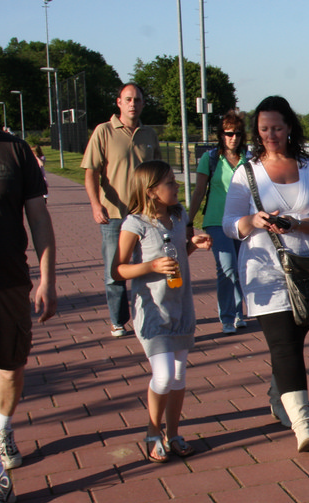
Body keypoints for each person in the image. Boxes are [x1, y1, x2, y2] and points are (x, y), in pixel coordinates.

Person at [223, 96, 309, 453]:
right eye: (263, 129)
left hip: (306, 269)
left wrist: (298, 223)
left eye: (276, 128)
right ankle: (303, 423)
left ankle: (278, 395)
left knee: (293, 342)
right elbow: (229, 224)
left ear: (289, 127)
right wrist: (252, 221)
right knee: (284, 345)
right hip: (263, 270)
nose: (270, 135)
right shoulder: (247, 172)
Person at [112, 161, 211, 463]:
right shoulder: (135, 224)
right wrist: (150, 266)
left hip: (181, 307)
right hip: (153, 310)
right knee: (164, 375)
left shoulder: (179, 217)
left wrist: (192, 245)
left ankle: (174, 433)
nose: (176, 185)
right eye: (169, 182)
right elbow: (118, 270)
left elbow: (177, 255)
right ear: (151, 191)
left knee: (178, 375)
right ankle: (152, 431)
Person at [0, 128, 57, 503]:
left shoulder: (14, 150)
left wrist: (48, 278)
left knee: (12, 366)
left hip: (10, 281)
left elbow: (39, 218)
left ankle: (3, 426)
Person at [82, 83, 161, 338]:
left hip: (145, 215)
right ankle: (118, 321)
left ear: (143, 103)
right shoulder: (104, 131)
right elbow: (91, 173)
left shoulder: (149, 134)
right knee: (115, 270)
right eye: (128, 99)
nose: (132, 104)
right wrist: (96, 205)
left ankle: (146, 315)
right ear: (119, 102)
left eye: (137, 99)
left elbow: (159, 174)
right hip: (114, 216)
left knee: (145, 267)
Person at [189, 110, 250, 334]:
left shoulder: (249, 159)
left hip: (242, 221)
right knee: (227, 268)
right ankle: (227, 316)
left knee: (241, 268)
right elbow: (198, 191)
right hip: (216, 220)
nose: (233, 138)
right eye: (229, 133)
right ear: (221, 135)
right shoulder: (211, 159)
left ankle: (239, 313)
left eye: (238, 133)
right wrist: (188, 220)